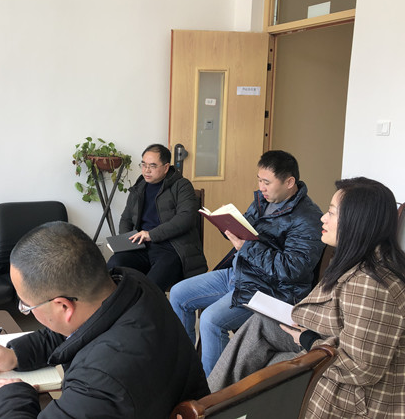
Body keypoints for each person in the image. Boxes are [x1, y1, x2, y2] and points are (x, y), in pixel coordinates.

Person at [208, 177, 405, 418]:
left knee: (270, 367)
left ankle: (208, 406)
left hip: (358, 397)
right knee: (262, 325)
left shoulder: (371, 284)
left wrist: (308, 340)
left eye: (331, 213)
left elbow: (360, 368)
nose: (323, 218)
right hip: (332, 345)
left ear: (357, 221)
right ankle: (209, 403)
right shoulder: (360, 261)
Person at [0, 221, 209, 418]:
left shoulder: (99, 382)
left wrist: (13, 392)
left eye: (26, 305)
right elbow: (76, 332)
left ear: (63, 306)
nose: (26, 309)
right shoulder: (131, 284)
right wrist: (15, 355)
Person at [169, 150, 325, 376]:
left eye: (267, 182)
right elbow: (247, 231)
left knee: (211, 320)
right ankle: (186, 371)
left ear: (289, 182)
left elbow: (292, 269)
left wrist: (246, 247)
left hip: (269, 289)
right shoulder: (264, 200)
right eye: (259, 180)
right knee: (178, 293)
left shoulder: (307, 219)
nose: (261, 187)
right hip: (240, 272)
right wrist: (227, 225)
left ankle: (213, 389)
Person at [106, 143, 208, 291]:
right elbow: (126, 218)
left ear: (166, 167)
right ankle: (119, 305)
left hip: (171, 248)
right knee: (113, 267)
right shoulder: (140, 186)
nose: (146, 170)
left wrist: (151, 235)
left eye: (152, 166)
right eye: (143, 165)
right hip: (141, 247)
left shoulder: (182, 185)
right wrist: (126, 242)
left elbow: (186, 218)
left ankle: (142, 305)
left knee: (150, 286)